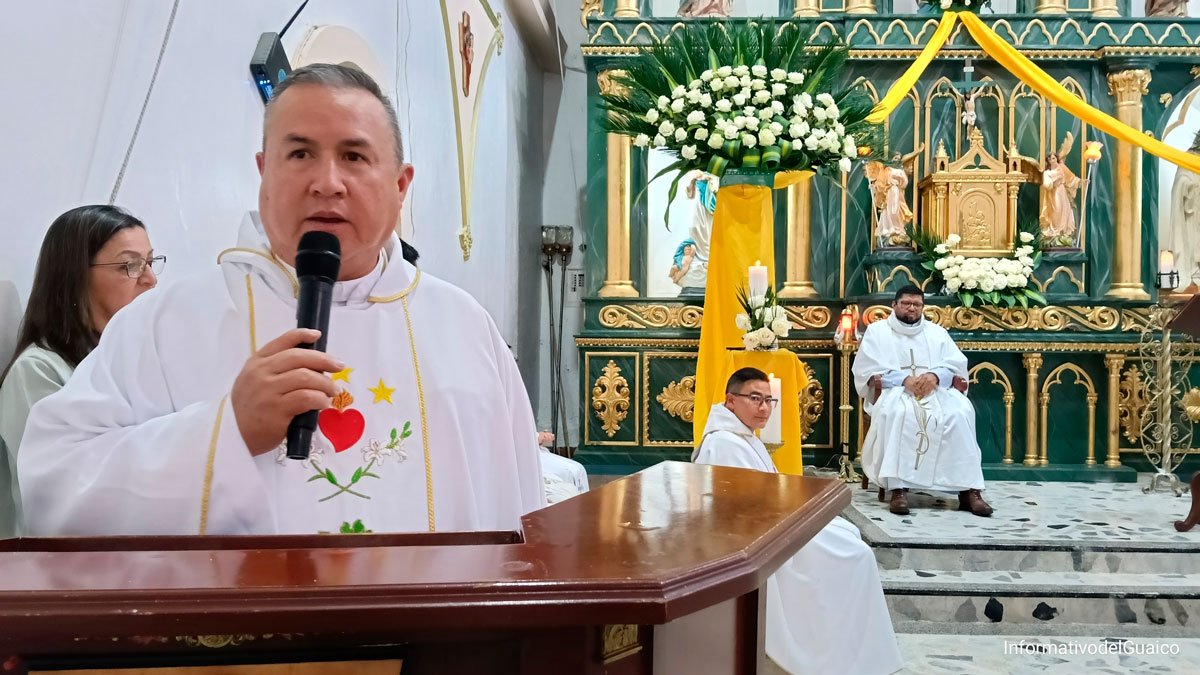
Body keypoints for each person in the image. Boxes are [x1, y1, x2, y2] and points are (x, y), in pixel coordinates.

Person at [19, 63, 543, 536]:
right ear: (263, 170)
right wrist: (228, 430)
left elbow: (522, 512)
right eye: (300, 154)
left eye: (355, 156)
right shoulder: (164, 322)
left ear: (401, 184)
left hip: (435, 638)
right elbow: (56, 489)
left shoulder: (463, 327)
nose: (327, 183)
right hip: (239, 642)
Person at [694, 368, 903, 675]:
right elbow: (737, 510)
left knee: (848, 535)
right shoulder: (724, 442)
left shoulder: (743, 437)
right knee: (855, 555)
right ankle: (840, 651)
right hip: (753, 539)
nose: (764, 407)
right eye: (755, 398)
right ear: (730, 401)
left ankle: (851, 648)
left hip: (769, 524)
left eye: (769, 400)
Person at [0, 205, 160, 537]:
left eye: (150, 262)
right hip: (51, 569)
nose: (150, 279)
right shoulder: (37, 372)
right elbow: (59, 496)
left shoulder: (130, 361)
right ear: (74, 276)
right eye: (130, 265)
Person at [852, 285, 993, 517]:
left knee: (959, 413)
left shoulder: (937, 332)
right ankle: (898, 489)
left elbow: (955, 365)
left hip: (936, 390)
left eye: (917, 305)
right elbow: (867, 369)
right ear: (894, 305)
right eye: (906, 303)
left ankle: (969, 491)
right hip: (895, 390)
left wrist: (935, 376)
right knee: (899, 414)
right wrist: (903, 379)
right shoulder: (877, 332)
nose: (911, 308)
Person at [668, 170, 716, 297]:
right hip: (701, 202)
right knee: (696, 228)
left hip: (711, 204)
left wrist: (711, 180)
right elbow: (690, 188)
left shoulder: (716, 173)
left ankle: (708, 259)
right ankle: (702, 258)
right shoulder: (700, 173)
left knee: (709, 230)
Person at [1039, 152, 1080, 248]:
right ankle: (1055, 232)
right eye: (1050, 159)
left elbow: (1071, 178)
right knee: (1055, 210)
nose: (1052, 160)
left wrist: (1081, 182)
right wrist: (1054, 182)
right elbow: (1046, 184)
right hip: (1053, 194)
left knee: (1064, 210)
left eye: (1053, 158)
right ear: (1048, 161)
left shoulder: (1061, 168)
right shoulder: (1047, 173)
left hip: (1062, 192)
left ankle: (1063, 232)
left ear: (1056, 159)